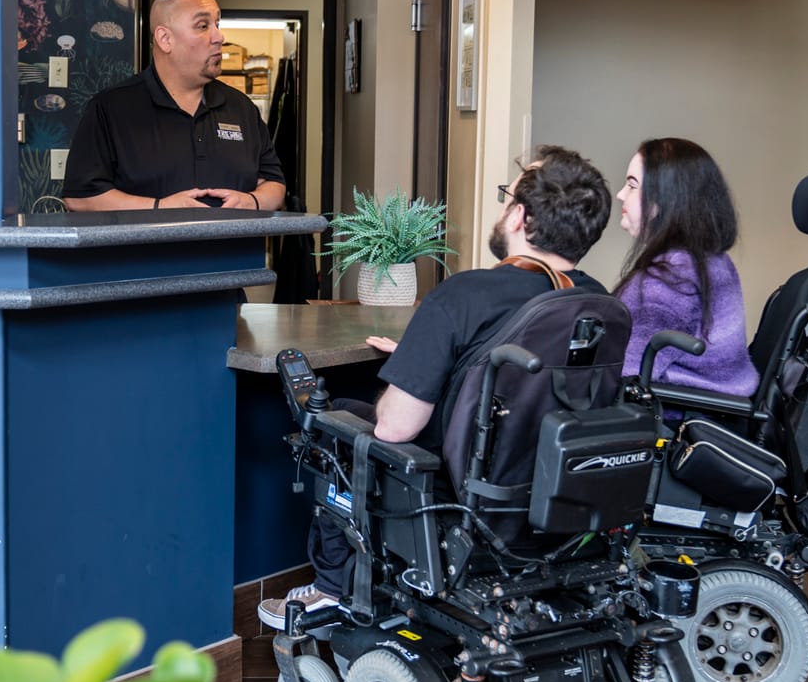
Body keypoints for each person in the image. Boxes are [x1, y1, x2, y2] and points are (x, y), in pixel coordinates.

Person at [258, 145, 614, 627]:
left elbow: (394, 429)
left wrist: (414, 371)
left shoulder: (463, 295)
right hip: (552, 496)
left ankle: (333, 589)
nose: (504, 207)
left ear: (521, 217)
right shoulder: (596, 305)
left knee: (336, 417)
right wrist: (422, 359)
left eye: (509, 198)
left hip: (458, 492)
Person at [61, 0, 287, 211]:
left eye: (217, 24)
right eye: (202, 26)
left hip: (237, 248)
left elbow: (273, 182)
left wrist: (254, 201)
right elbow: (81, 197)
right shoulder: (110, 108)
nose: (219, 37)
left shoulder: (242, 107)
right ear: (165, 38)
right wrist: (159, 208)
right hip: (150, 248)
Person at [612, 137, 758, 398]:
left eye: (632, 185)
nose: (620, 194)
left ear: (662, 201)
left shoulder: (669, 280)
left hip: (678, 417)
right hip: (716, 411)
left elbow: (625, 378)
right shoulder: (709, 260)